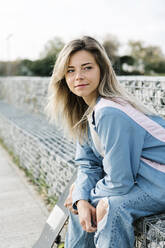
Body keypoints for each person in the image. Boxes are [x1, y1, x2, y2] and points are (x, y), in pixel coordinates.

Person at [46, 36, 165, 248]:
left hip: (159, 180)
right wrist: (81, 199)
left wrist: (84, 198)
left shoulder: (110, 112)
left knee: (108, 208)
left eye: (87, 68)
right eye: (70, 70)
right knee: (80, 204)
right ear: (63, 77)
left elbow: (120, 181)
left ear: (102, 69)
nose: (78, 77)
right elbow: (87, 163)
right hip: (142, 181)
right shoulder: (85, 110)